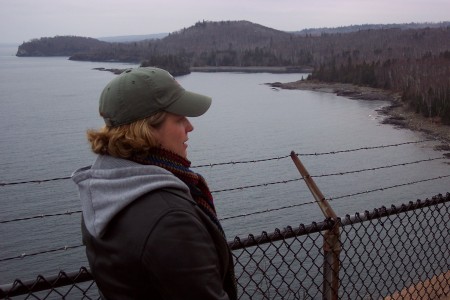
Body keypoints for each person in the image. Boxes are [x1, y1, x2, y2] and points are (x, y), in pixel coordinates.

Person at [72, 67, 237, 300]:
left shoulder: (102, 193)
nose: (190, 127)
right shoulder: (170, 218)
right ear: (146, 130)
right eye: (179, 119)